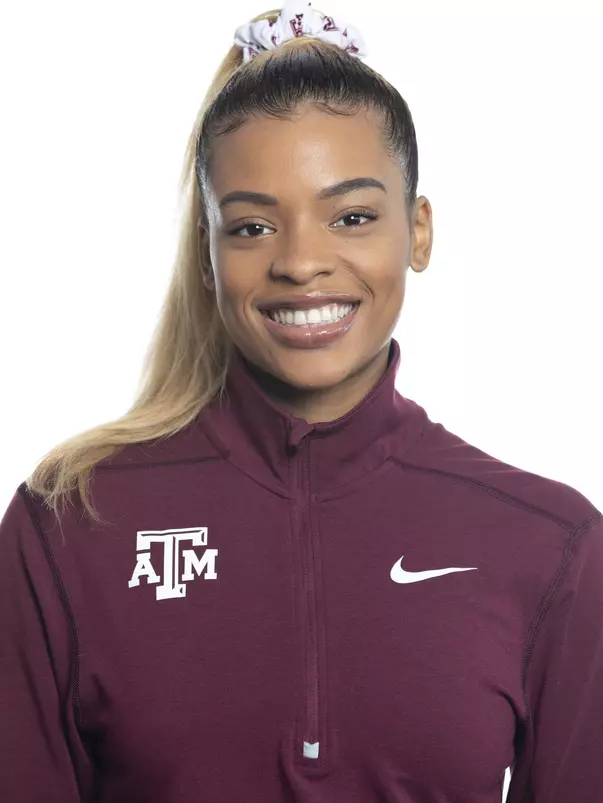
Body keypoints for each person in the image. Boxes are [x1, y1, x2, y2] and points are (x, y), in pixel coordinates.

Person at [0, 1, 601, 801]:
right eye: (250, 227)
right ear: (208, 257)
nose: (301, 263)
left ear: (417, 232)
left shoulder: (552, 543)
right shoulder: (69, 521)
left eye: (351, 216)